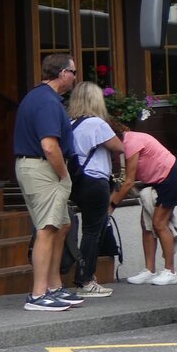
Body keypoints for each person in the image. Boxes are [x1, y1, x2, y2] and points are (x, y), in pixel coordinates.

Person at [12, 53, 85, 311]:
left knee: (61, 226)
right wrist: (64, 173)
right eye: (73, 72)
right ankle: (38, 294)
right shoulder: (47, 102)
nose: (75, 77)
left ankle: (53, 288)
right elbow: (50, 146)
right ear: (62, 73)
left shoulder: (42, 97)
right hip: (44, 168)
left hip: (39, 167)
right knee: (47, 228)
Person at [66, 82, 125, 297]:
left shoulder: (71, 124)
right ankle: (85, 280)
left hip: (78, 182)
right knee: (94, 231)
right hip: (96, 181)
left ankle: (84, 277)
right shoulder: (96, 123)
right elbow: (119, 146)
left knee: (89, 229)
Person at [108, 120, 177, 286]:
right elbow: (121, 180)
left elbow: (128, 182)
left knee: (159, 224)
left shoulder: (131, 143)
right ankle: (149, 270)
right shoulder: (124, 144)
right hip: (154, 182)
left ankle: (170, 271)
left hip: (169, 177)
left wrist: (112, 206)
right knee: (146, 225)